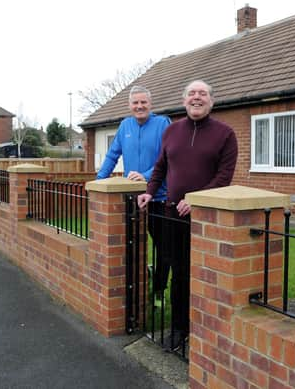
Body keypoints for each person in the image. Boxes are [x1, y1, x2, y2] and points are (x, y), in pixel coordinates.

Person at [137, 80, 238, 351]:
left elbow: (224, 177)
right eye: (192, 94)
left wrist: (196, 199)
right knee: (179, 274)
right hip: (173, 216)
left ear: (212, 101)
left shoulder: (225, 134)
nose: (197, 98)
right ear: (184, 101)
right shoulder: (171, 131)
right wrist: (149, 191)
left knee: (207, 274)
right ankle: (180, 329)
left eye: (202, 93)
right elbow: (160, 167)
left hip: (208, 220)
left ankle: (209, 329)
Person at [96, 85, 172, 295]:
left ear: (150, 104)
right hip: (132, 198)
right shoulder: (125, 126)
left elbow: (167, 158)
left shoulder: (162, 124)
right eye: (135, 103)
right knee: (131, 244)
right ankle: (133, 288)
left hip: (159, 197)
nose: (140, 106)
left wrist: (146, 175)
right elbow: (112, 155)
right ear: (129, 106)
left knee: (163, 249)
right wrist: (98, 182)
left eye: (143, 102)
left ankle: (158, 291)